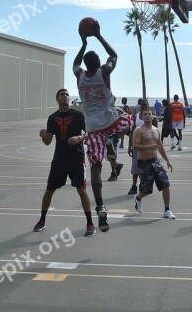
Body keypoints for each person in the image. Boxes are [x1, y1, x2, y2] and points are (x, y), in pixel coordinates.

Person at [73, 22, 125, 233]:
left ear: (86, 64)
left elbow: (75, 64)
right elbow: (114, 56)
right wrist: (100, 36)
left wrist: (83, 43)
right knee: (133, 121)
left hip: (92, 126)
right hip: (112, 121)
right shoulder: (104, 72)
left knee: (95, 167)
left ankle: (100, 204)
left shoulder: (80, 76)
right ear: (99, 63)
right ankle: (113, 148)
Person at [33, 89, 96, 237]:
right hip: (59, 160)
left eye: (67, 95)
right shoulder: (52, 118)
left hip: (76, 158)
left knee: (81, 190)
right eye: (62, 95)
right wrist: (43, 136)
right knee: (49, 191)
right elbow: (48, 142)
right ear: (57, 99)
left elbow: (88, 134)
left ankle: (90, 223)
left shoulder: (78, 115)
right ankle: (42, 220)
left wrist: (78, 139)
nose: (65, 97)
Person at [132, 108, 175, 219]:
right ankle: (138, 198)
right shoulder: (138, 130)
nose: (147, 116)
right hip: (144, 162)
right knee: (147, 190)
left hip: (155, 161)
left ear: (153, 116)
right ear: (142, 117)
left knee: (165, 184)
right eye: (145, 114)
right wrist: (149, 147)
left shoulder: (156, 130)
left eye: (149, 114)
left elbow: (160, 146)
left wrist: (167, 160)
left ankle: (167, 210)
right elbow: (135, 146)